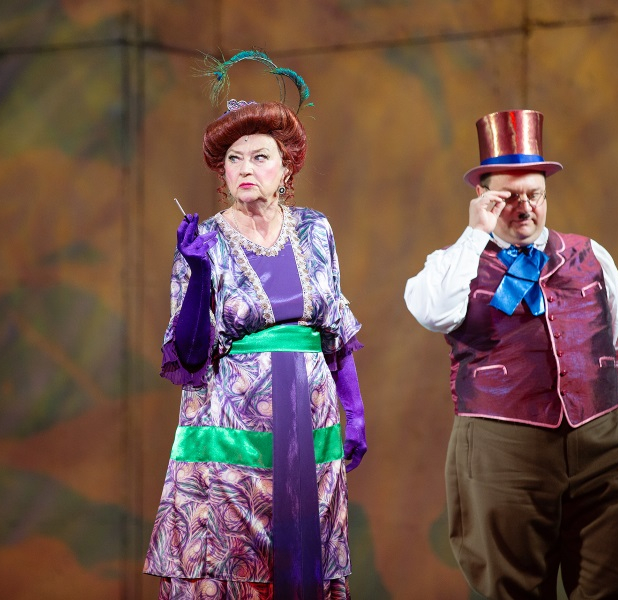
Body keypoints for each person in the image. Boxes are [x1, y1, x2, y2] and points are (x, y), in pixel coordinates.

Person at [404, 109, 618, 599]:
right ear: (483, 197)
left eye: (535, 195)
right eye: (508, 197)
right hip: (501, 451)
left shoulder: (589, 255)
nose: (524, 207)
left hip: (603, 444)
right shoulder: (453, 264)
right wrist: (474, 234)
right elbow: (433, 312)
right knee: (514, 589)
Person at [144, 51, 366, 600]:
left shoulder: (315, 230)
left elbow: (335, 331)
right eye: (234, 159)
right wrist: (198, 273)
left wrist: (355, 411)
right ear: (222, 172)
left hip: (310, 425)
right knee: (231, 564)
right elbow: (190, 356)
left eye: (260, 157)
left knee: (305, 565)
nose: (245, 168)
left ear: (286, 167)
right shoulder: (206, 242)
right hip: (232, 433)